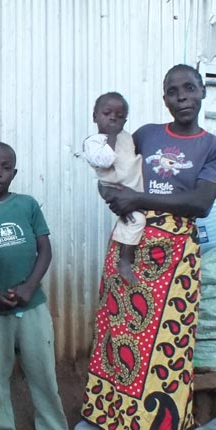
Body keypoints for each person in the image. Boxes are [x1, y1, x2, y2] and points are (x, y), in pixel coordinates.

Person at [79, 65, 216, 430]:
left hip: (176, 253)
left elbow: (200, 204)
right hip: (130, 244)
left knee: (169, 346)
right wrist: (112, 192)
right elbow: (116, 171)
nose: (181, 96)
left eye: (188, 88)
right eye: (172, 91)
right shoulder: (147, 134)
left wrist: (139, 202)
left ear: (202, 92)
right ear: (164, 98)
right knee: (118, 338)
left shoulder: (215, 146)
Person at [0, 142, 91, 430]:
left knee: (43, 371)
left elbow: (44, 250)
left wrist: (29, 286)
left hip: (32, 304)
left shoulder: (27, 205)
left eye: (5, 168)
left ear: (14, 172)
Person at [81, 92, 144, 285]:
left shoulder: (127, 137)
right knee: (137, 220)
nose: (113, 118)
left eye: (119, 115)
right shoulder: (93, 142)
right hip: (116, 187)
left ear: (125, 119)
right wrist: (112, 136)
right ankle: (124, 261)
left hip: (133, 184)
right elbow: (105, 160)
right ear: (95, 116)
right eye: (107, 113)